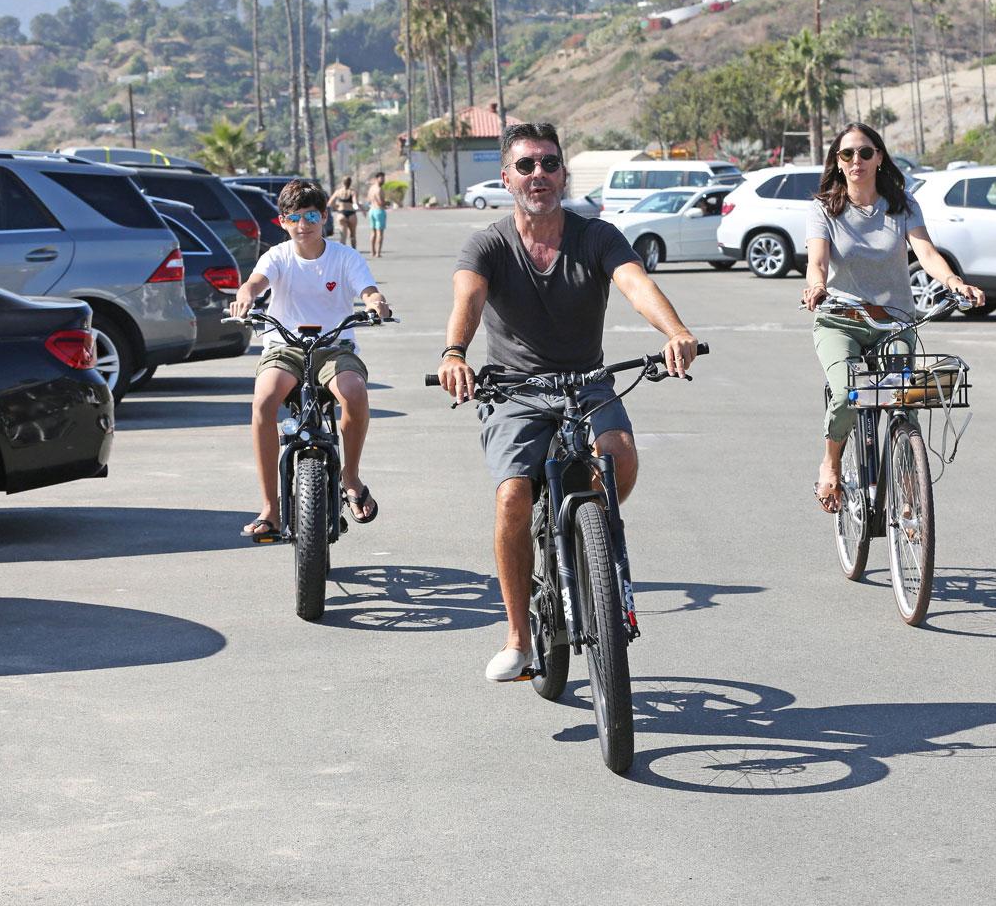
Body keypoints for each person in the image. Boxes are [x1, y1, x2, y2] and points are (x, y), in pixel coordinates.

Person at [434, 122, 699, 682]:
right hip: (514, 387)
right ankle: (518, 638)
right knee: (512, 495)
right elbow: (469, 296)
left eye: (549, 164)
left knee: (620, 454)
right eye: (526, 166)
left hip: (588, 380)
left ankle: (588, 544)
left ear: (563, 172)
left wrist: (674, 331)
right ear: (506, 178)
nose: (539, 175)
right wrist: (455, 352)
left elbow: (634, 283)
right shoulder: (488, 243)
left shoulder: (596, 236)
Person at [801, 123, 985, 512]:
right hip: (840, 320)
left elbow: (927, 253)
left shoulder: (901, 205)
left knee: (904, 398)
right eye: (847, 154)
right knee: (846, 393)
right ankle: (830, 462)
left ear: (879, 157)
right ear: (837, 161)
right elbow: (816, 262)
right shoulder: (824, 209)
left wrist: (954, 282)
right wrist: (816, 286)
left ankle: (906, 482)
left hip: (895, 322)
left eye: (865, 153)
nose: (857, 161)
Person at [228, 179, 393, 538]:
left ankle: (350, 476)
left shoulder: (344, 256)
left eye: (312, 215)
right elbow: (254, 283)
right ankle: (270, 508)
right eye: (295, 217)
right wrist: (245, 297)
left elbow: (368, 290)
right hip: (284, 347)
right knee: (264, 401)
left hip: (333, 347)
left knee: (354, 392)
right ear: (283, 222)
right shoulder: (277, 256)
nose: (304, 225)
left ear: (325, 217)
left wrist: (375, 303)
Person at [330, 176, 359, 249]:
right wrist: (357, 208)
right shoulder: (352, 191)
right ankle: (354, 251)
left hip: (341, 214)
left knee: (343, 236)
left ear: (343, 182)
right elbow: (355, 202)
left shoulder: (338, 191)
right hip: (351, 214)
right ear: (350, 182)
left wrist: (336, 207)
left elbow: (330, 203)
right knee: (353, 235)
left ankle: (342, 252)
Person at [367, 172, 387, 258]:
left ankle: (372, 251)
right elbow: (380, 202)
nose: (383, 180)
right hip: (379, 211)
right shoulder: (379, 189)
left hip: (371, 210)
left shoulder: (371, 188)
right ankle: (378, 252)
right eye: (382, 178)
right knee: (380, 233)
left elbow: (368, 199)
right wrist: (385, 204)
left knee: (373, 232)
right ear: (377, 178)